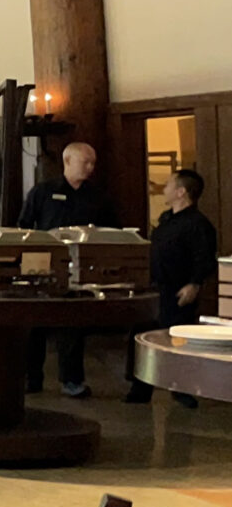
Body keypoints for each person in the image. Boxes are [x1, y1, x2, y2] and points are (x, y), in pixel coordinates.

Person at [20, 140, 117, 397]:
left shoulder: (97, 196)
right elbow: (24, 227)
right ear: (67, 161)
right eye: (85, 161)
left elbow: (111, 231)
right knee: (34, 325)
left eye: (93, 163)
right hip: (42, 265)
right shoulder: (43, 192)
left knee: (72, 325)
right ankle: (31, 378)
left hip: (80, 267)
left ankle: (71, 380)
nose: (90, 167)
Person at [127, 169, 218, 407]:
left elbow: (205, 258)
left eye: (169, 185)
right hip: (155, 287)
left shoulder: (198, 224)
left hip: (178, 291)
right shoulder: (167, 219)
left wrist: (194, 284)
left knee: (176, 340)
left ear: (181, 192)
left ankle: (181, 388)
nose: (163, 188)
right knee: (143, 336)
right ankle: (140, 387)